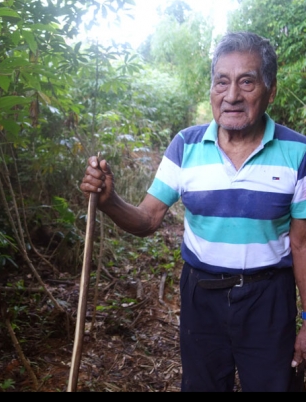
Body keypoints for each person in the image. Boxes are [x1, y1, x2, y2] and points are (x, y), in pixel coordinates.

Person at [80, 31, 306, 392]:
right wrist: (110, 201)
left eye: (246, 82)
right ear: (212, 88)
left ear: (271, 90)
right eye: (222, 82)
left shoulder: (298, 152)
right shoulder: (185, 145)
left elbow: (302, 246)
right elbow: (148, 219)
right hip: (202, 296)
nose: (231, 96)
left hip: (269, 301)